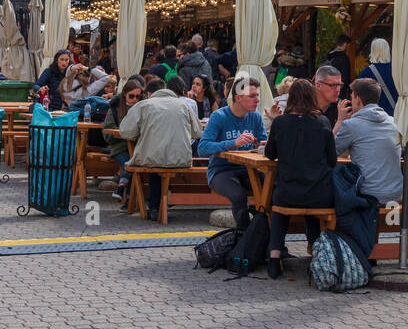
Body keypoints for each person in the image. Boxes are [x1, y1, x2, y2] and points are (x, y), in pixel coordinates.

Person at [262, 79, 337, 278]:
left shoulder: (280, 123)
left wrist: (273, 122)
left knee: (278, 210)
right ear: (313, 97)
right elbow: (332, 159)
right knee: (311, 209)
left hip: (287, 192)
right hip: (319, 194)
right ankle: (315, 252)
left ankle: (275, 256)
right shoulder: (322, 122)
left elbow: (270, 155)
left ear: (291, 98)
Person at [120, 74, 204, 220]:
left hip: (152, 159)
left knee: (155, 163)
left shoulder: (144, 105)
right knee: (162, 160)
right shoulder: (184, 105)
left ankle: (154, 208)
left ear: (148, 93)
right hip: (182, 158)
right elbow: (197, 132)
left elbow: (126, 132)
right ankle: (160, 205)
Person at [198, 77, 269, 231]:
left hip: (249, 169)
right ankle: (243, 237)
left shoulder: (255, 116)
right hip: (221, 171)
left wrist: (263, 141)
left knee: (273, 189)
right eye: (252, 96)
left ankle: (265, 235)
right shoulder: (220, 116)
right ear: (237, 98)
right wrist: (233, 143)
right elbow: (202, 148)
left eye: (257, 95)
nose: (257, 100)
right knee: (239, 196)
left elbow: (264, 145)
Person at [333, 77, 403, 204]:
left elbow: (330, 153)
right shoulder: (394, 123)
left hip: (368, 193)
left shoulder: (351, 125)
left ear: (358, 99)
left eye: (352, 97)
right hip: (396, 192)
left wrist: (340, 121)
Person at [103, 79, 145, 203]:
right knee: (129, 163)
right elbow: (107, 131)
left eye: (138, 96)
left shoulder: (144, 108)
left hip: (139, 147)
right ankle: (128, 200)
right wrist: (125, 132)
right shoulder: (115, 108)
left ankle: (122, 188)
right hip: (120, 147)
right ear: (125, 94)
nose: (135, 100)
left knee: (133, 162)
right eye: (131, 96)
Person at [357, 38, 398, 115]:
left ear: (373, 51)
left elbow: (360, 96)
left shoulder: (367, 71)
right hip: (394, 114)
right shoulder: (397, 70)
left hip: (373, 115)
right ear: (388, 50)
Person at [322, 33, 353, 100]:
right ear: (345, 44)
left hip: (326, 89)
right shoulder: (344, 58)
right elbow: (345, 78)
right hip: (339, 92)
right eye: (348, 45)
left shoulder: (328, 56)